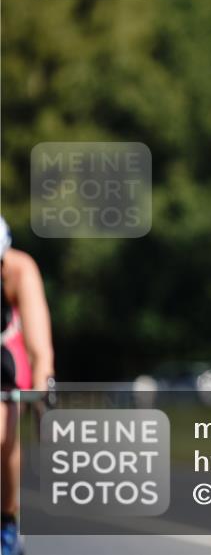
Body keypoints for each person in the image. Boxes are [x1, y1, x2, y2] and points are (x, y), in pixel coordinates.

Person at [1, 215, 55, 555]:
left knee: (2, 432)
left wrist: (42, 400)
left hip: (3, 355)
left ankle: (6, 523)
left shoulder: (20, 270)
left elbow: (39, 350)